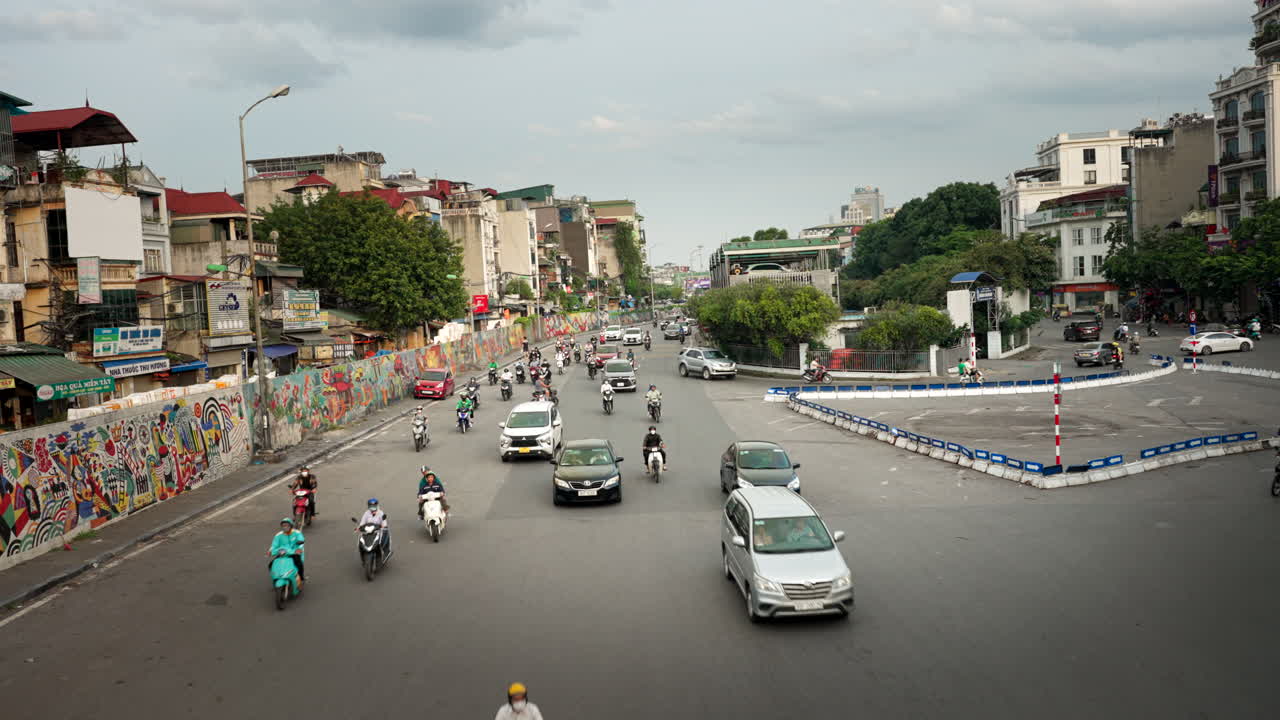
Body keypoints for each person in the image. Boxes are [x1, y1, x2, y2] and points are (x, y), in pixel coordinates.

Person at [269, 516, 306, 584]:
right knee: (271, 564)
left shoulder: (297, 533)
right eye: (283, 526)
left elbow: (301, 541)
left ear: (291, 526)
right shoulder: (278, 535)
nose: (285, 527)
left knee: (299, 563)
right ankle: (276, 578)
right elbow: (274, 545)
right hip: (283, 553)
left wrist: (299, 549)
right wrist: (270, 551)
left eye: (287, 525)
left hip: (294, 553)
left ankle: (301, 578)